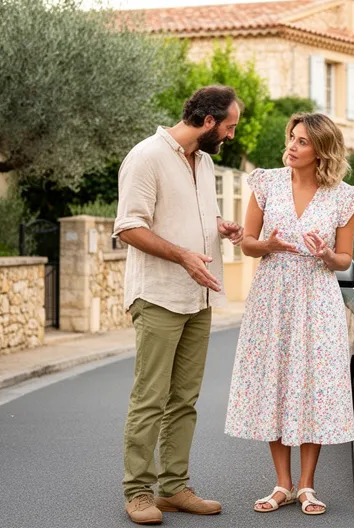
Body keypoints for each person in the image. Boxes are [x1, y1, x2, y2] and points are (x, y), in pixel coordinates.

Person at [113, 85, 245, 525]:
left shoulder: (204, 162)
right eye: (228, 126)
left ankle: (173, 488)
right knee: (150, 397)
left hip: (198, 297)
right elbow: (129, 227)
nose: (229, 135)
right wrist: (184, 255)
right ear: (208, 122)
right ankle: (138, 493)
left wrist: (219, 227)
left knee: (185, 399)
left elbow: (191, 217)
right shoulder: (146, 157)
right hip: (158, 296)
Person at [224, 112, 354, 516]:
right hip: (272, 296)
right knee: (278, 381)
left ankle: (307, 486)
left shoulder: (344, 196)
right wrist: (267, 245)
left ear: (321, 150)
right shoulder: (266, 182)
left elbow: (343, 259)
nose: (291, 146)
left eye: (302, 141)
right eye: (292, 137)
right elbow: (247, 244)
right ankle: (281, 484)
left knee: (313, 385)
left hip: (317, 297)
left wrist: (325, 254)